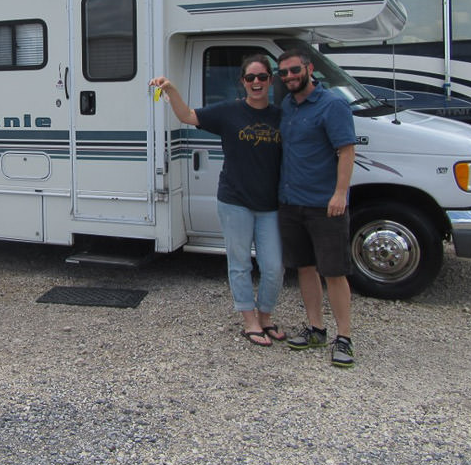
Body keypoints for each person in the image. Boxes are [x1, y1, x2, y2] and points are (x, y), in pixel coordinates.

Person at [150, 55, 285, 347]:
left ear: (271, 81)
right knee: (240, 264)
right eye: (251, 78)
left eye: (262, 77)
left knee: (274, 266)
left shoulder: (280, 115)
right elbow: (187, 116)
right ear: (242, 82)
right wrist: (170, 89)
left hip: (270, 204)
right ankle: (250, 320)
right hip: (234, 200)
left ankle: (266, 315)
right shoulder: (228, 112)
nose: (257, 83)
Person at [275, 47, 357, 368]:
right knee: (305, 269)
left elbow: (346, 152)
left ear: (309, 68)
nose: (290, 77)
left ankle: (345, 338)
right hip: (291, 203)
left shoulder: (333, 105)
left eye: (295, 70)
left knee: (334, 272)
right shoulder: (287, 106)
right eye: (284, 73)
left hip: (325, 205)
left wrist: (340, 194)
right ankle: (316, 329)